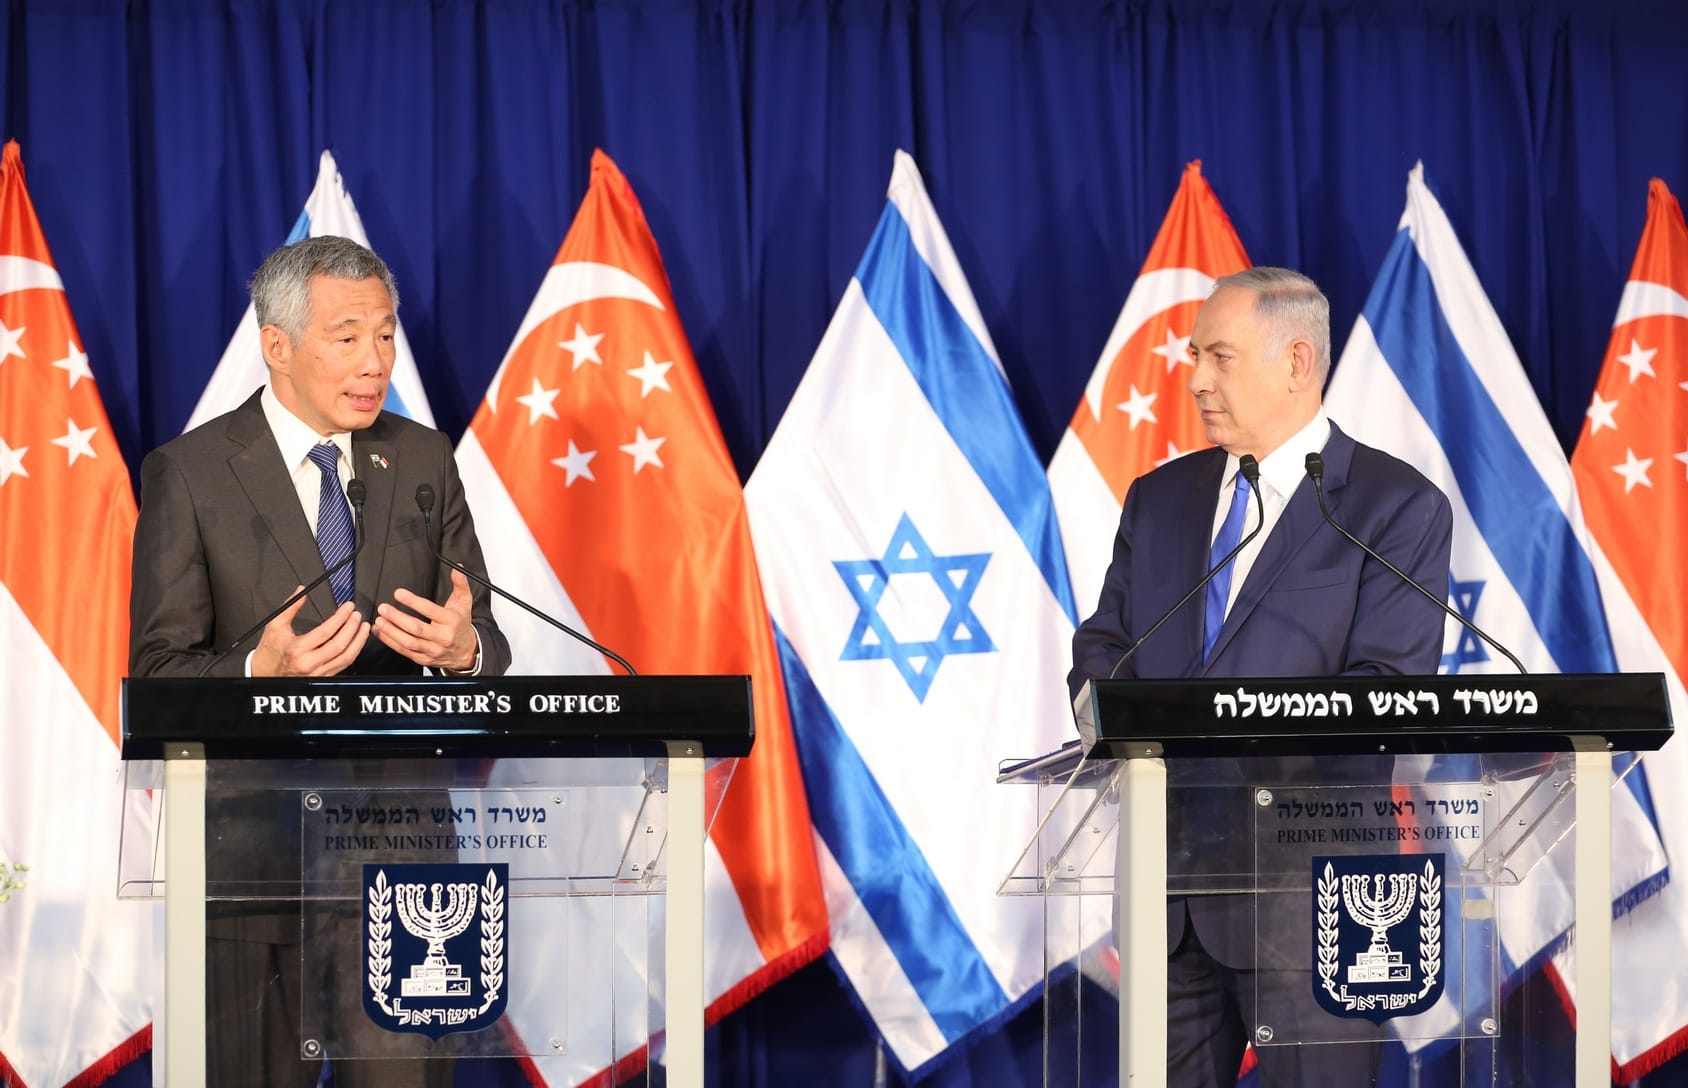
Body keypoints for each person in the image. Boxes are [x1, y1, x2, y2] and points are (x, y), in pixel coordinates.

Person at [129, 235, 511, 1087]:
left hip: (408, 873)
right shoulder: (189, 475)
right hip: (254, 866)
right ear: (278, 346)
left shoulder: (422, 459)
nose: (374, 361)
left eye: (385, 335)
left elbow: (485, 631)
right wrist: (259, 672)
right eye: (347, 336)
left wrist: (466, 650)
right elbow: (156, 674)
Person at [1067, 267, 1453, 1087]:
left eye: (1220, 356)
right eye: (1192, 356)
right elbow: (1103, 649)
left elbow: (1384, 690)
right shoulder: (1159, 499)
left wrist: (1212, 728)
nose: (1197, 379)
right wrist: (1098, 710)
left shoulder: (1393, 506)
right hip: (1165, 896)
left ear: (1297, 362)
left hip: (1318, 895)